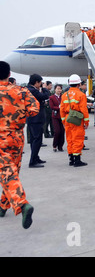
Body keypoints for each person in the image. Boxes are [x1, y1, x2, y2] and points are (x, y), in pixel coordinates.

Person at [0, 61, 39, 229]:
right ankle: (2, 206)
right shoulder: (21, 91)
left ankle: (22, 204)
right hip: (17, 138)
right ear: (9, 75)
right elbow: (34, 110)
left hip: (0, 139)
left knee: (7, 173)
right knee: (11, 172)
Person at [60, 74, 89, 167]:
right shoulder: (81, 95)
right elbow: (84, 109)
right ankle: (77, 160)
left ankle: (71, 159)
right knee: (78, 139)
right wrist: (86, 121)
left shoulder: (65, 95)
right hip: (77, 119)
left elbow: (62, 109)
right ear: (78, 84)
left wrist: (64, 121)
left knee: (70, 139)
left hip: (68, 118)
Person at [26, 74, 49, 168]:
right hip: (36, 119)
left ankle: (35, 157)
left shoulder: (29, 89)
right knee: (37, 140)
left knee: (33, 139)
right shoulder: (32, 90)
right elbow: (45, 96)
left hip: (32, 118)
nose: (41, 85)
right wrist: (44, 88)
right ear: (36, 82)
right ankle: (33, 161)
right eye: (40, 83)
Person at [49, 84, 65, 152]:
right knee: (57, 131)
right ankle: (55, 145)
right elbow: (52, 107)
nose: (59, 90)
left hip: (62, 116)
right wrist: (59, 107)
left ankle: (60, 146)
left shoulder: (63, 97)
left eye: (60, 89)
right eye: (58, 88)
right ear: (55, 89)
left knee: (62, 131)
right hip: (55, 116)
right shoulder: (51, 97)